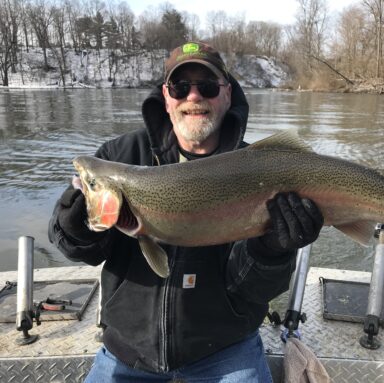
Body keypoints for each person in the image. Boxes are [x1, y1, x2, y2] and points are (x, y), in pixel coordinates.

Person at [48, 41, 323, 383]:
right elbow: (72, 247)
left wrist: (272, 250)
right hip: (127, 352)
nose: (194, 97)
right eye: (181, 87)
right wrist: (78, 224)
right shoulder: (119, 156)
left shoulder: (258, 171)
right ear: (166, 96)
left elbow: (253, 289)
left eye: (207, 87)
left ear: (226, 95)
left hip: (227, 350)